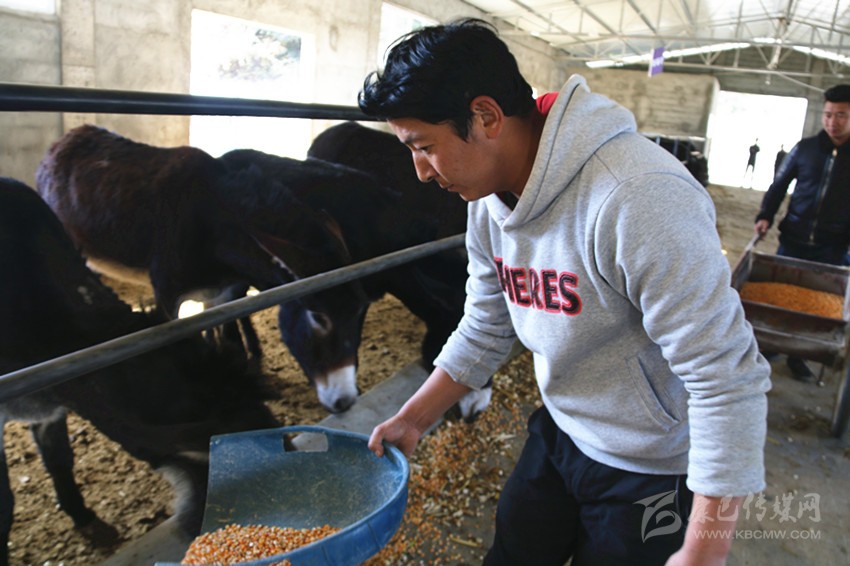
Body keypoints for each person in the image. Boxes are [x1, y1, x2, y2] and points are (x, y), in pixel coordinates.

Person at [361, 19, 770, 565]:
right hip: (561, 429)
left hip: (652, 467)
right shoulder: (487, 199)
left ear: (486, 117)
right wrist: (414, 418)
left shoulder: (637, 198)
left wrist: (704, 550)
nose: (420, 172)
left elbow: (725, 376)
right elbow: (487, 323)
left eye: (424, 147)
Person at [754, 84, 850, 383]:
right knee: (782, 298)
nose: (833, 121)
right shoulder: (805, 148)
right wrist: (765, 216)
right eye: (828, 114)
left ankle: (799, 356)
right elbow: (779, 185)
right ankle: (772, 346)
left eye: (842, 115)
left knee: (816, 307)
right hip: (793, 237)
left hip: (832, 244)